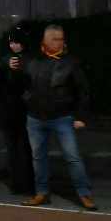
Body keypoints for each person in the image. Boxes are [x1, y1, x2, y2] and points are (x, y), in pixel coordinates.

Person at [11, 24, 97, 210]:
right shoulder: (32, 59)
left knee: (73, 157)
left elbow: (82, 89)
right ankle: (42, 192)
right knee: (38, 157)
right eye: (55, 39)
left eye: (61, 39)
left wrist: (81, 115)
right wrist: (12, 69)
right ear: (45, 40)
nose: (59, 43)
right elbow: (19, 83)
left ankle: (83, 193)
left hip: (62, 116)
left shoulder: (71, 61)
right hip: (35, 116)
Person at [0, 26, 35, 196]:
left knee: (26, 148)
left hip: (25, 110)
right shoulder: (8, 60)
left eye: (17, 42)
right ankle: (18, 182)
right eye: (11, 42)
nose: (14, 46)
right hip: (9, 110)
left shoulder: (30, 60)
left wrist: (14, 69)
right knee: (13, 148)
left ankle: (28, 183)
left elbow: (27, 81)